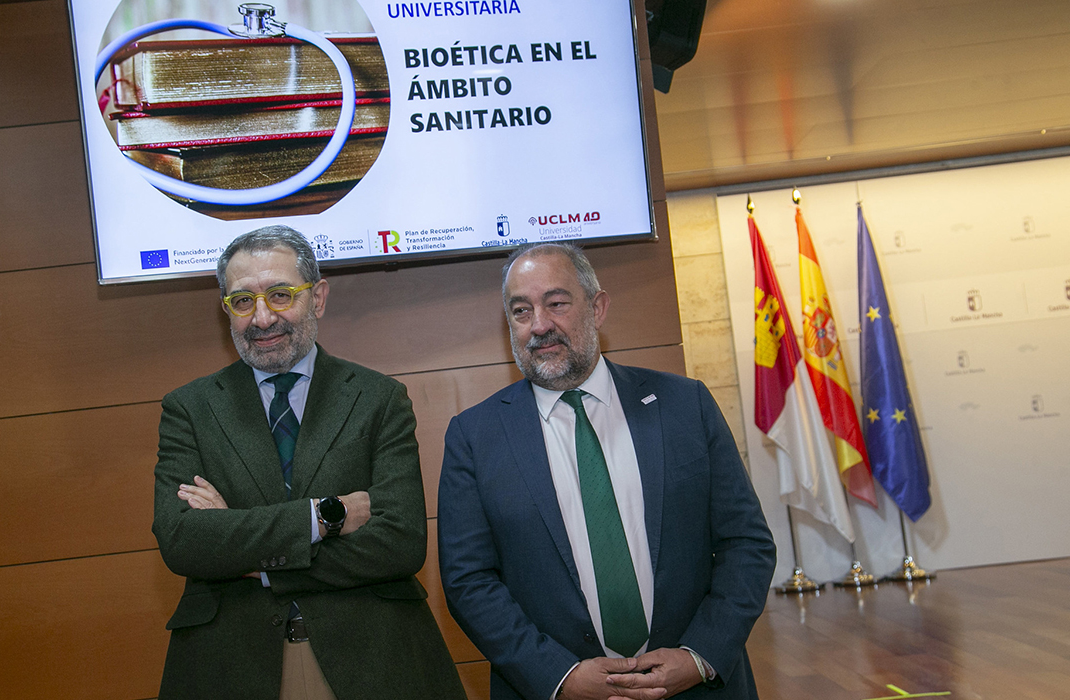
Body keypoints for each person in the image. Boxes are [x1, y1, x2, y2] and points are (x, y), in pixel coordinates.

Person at [438, 243, 776, 700]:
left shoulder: (684, 406)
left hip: (697, 687)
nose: (539, 325)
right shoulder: (474, 437)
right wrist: (558, 676)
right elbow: (467, 580)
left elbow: (746, 543)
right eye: (521, 310)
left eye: (556, 303)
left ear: (597, 307)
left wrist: (700, 655)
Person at [153, 226, 465, 700]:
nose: (261, 318)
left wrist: (252, 556)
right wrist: (321, 518)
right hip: (232, 667)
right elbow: (183, 542)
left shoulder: (379, 398)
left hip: (375, 662)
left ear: (317, 298)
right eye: (242, 302)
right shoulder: (189, 409)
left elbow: (400, 542)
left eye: (280, 295)